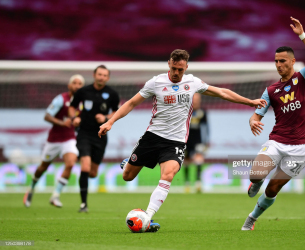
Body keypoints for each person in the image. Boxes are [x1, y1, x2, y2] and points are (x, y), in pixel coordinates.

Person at [98, 49, 267, 232]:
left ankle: (147, 217)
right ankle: (128, 163)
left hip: (176, 142)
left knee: (168, 175)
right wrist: (111, 121)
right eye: (174, 68)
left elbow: (221, 92)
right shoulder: (156, 83)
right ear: (168, 64)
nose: (177, 73)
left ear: (186, 66)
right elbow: (131, 103)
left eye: (180, 69)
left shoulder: (192, 82)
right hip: (153, 137)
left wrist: (249, 102)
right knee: (127, 176)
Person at [241, 17, 305, 231]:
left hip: (301, 147)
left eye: (282, 61)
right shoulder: (270, 91)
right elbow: (257, 115)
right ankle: (256, 182)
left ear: (292, 61)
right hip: (277, 141)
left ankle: (252, 217)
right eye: (276, 61)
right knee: (256, 173)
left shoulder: (304, 78)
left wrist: (302, 35)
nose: (278, 65)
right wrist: (252, 121)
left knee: (273, 189)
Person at [23, 74, 85, 208]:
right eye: (74, 83)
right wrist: (61, 123)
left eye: (80, 84)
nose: (77, 86)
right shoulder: (61, 99)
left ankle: (55, 195)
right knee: (42, 167)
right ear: (69, 85)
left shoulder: (83, 103)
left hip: (69, 138)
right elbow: (47, 116)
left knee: (70, 163)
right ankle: (31, 188)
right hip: (54, 140)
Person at [69, 65, 120, 213]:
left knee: (92, 173)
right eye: (99, 74)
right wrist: (74, 118)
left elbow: (117, 112)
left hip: (100, 136)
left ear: (108, 78)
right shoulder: (83, 91)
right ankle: (83, 204)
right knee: (85, 167)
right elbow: (72, 107)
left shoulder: (112, 94)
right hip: (84, 133)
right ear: (94, 75)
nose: (101, 77)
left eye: (104, 75)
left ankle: (85, 190)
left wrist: (106, 117)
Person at [183, 93, 209, 193]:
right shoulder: (185, 111)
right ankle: (187, 183)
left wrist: (206, 142)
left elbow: (206, 128)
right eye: (194, 99)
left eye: (198, 99)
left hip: (198, 140)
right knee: (186, 161)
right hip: (186, 140)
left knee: (199, 159)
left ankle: (198, 183)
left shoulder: (202, 112)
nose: (196, 101)